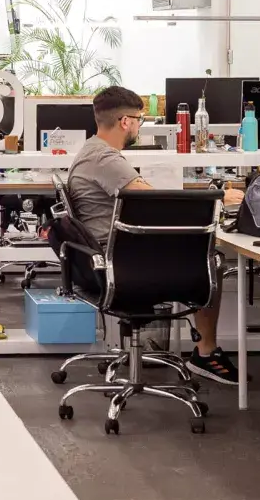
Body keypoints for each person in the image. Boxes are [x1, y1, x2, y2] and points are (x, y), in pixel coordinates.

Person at [66, 86, 244, 385]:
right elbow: (154, 202)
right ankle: (206, 352)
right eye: (139, 120)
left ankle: (205, 350)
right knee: (210, 259)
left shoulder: (92, 151)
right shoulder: (105, 159)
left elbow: (146, 198)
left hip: (106, 257)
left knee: (201, 248)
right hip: (123, 264)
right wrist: (219, 198)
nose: (139, 126)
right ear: (125, 122)